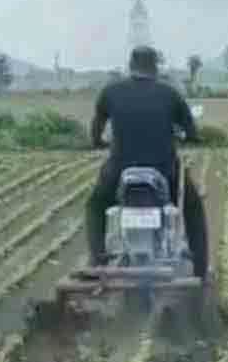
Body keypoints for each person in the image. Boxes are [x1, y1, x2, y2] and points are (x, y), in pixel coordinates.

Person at [87, 45, 207, 280]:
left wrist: (98, 142)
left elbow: (96, 130)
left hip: (120, 171)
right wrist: (191, 137)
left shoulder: (110, 92)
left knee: (95, 205)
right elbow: (192, 132)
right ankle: (200, 269)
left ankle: (97, 257)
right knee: (193, 209)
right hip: (164, 171)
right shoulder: (170, 94)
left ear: (130, 65)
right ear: (155, 67)